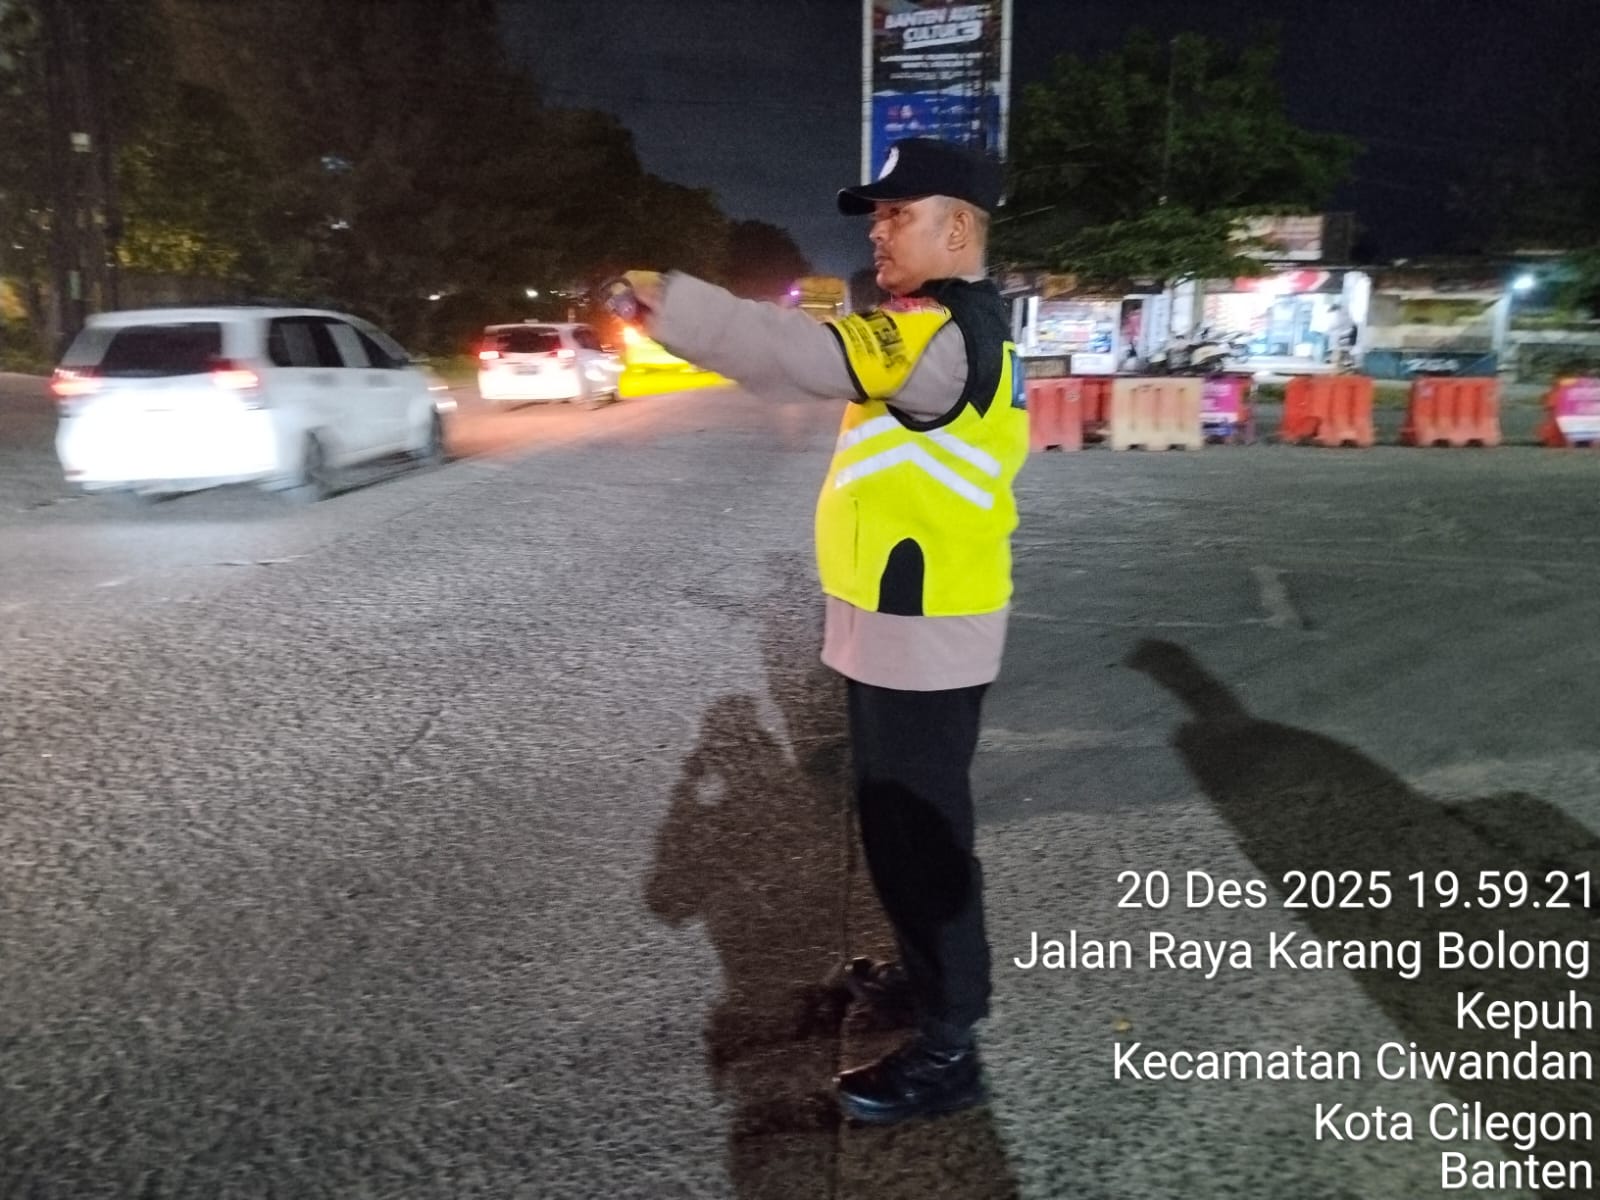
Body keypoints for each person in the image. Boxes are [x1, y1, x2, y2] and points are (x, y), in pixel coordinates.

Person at [620, 137, 1026, 1125]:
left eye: (897, 213)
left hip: (924, 626)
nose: (878, 231)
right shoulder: (944, 326)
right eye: (876, 215)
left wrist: (680, 306)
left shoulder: (933, 332)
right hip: (903, 619)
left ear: (957, 230)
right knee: (896, 827)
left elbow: (799, 353)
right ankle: (925, 982)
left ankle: (949, 1045)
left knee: (922, 842)